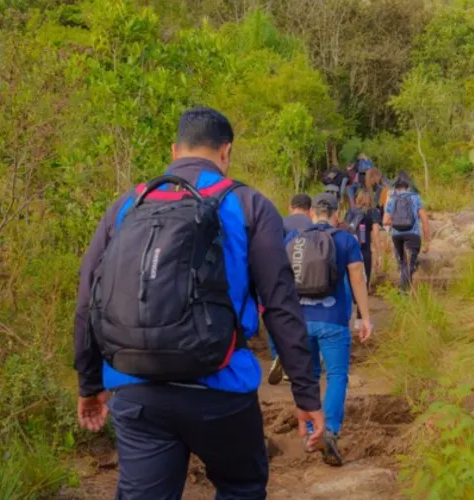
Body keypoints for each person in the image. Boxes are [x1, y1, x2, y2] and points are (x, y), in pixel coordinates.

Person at [73, 106, 324, 499]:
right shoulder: (249, 205)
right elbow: (280, 304)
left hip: (137, 389)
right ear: (226, 152)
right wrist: (306, 394)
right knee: (241, 487)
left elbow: (88, 297)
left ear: (175, 149)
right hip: (220, 388)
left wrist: (89, 383)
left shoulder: (126, 206)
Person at [285, 193, 373, 466]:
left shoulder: (293, 239)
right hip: (333, 319)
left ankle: (312, 432)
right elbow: (357, 276)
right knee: (336, 375)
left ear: (311, 212)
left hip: (300, 320)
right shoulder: (345, 239)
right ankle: (331, 430)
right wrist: (365, 317)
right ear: (337, 213)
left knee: (309, 375)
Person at [268, 193, 314, 385]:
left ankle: (277, 355)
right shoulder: (314, 225)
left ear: (290, 206)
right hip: (311, 281)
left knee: (278, 317)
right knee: (303, 319)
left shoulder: (280, 222)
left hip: (284, 278)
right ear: (310, 210)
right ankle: (299, 360)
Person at [383, 175, 430, 292]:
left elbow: (385, 221)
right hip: (413, 234)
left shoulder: (392, 200)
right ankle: (404, 291)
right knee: (409, 263)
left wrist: (397, 223)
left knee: (403, 263)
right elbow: (425, 220)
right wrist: (427, 242)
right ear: (408, 187)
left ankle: (405, 290)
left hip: (397, 235)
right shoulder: (416, 198)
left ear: (396, 187)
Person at [344, 190, 382, 289]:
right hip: (364, 249)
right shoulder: (373, 211)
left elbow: (344, 228)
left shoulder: (351, 211)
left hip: (349, 247)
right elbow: (376, 233)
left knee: (350, 278)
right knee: (364, 282)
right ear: (371, 199)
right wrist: (379, 253)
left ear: (358, 198)